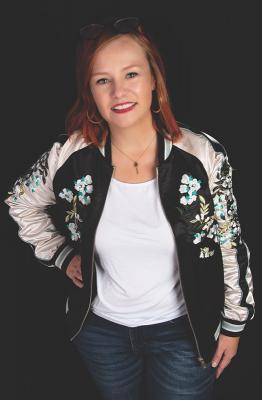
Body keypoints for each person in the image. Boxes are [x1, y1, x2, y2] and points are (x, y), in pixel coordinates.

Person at [5, 16, 255, 400]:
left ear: (155, 80)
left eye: (132, 74)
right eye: (103, 79)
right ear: (90, 90)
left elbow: (228, 242)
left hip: (185, 333)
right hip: (101, 332)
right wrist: (61, 254)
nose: (119, 91)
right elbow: (22, 202)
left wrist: (234, 325)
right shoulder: (69, 156)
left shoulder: (202, 155)